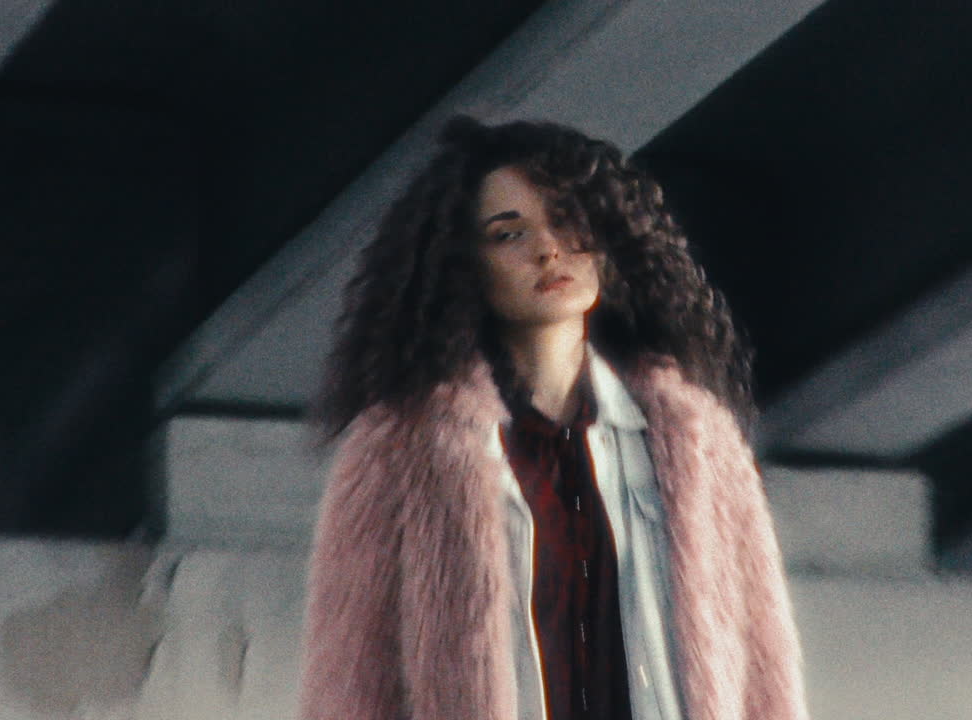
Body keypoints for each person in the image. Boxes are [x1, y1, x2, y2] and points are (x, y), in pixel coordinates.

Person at [298, 115, 808, 720]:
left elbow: (763, 670)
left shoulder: (697, 440)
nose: (548, 248)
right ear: (465, 265)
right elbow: (352, 681)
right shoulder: (401, 447)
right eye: (508, 234)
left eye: (568, 222)